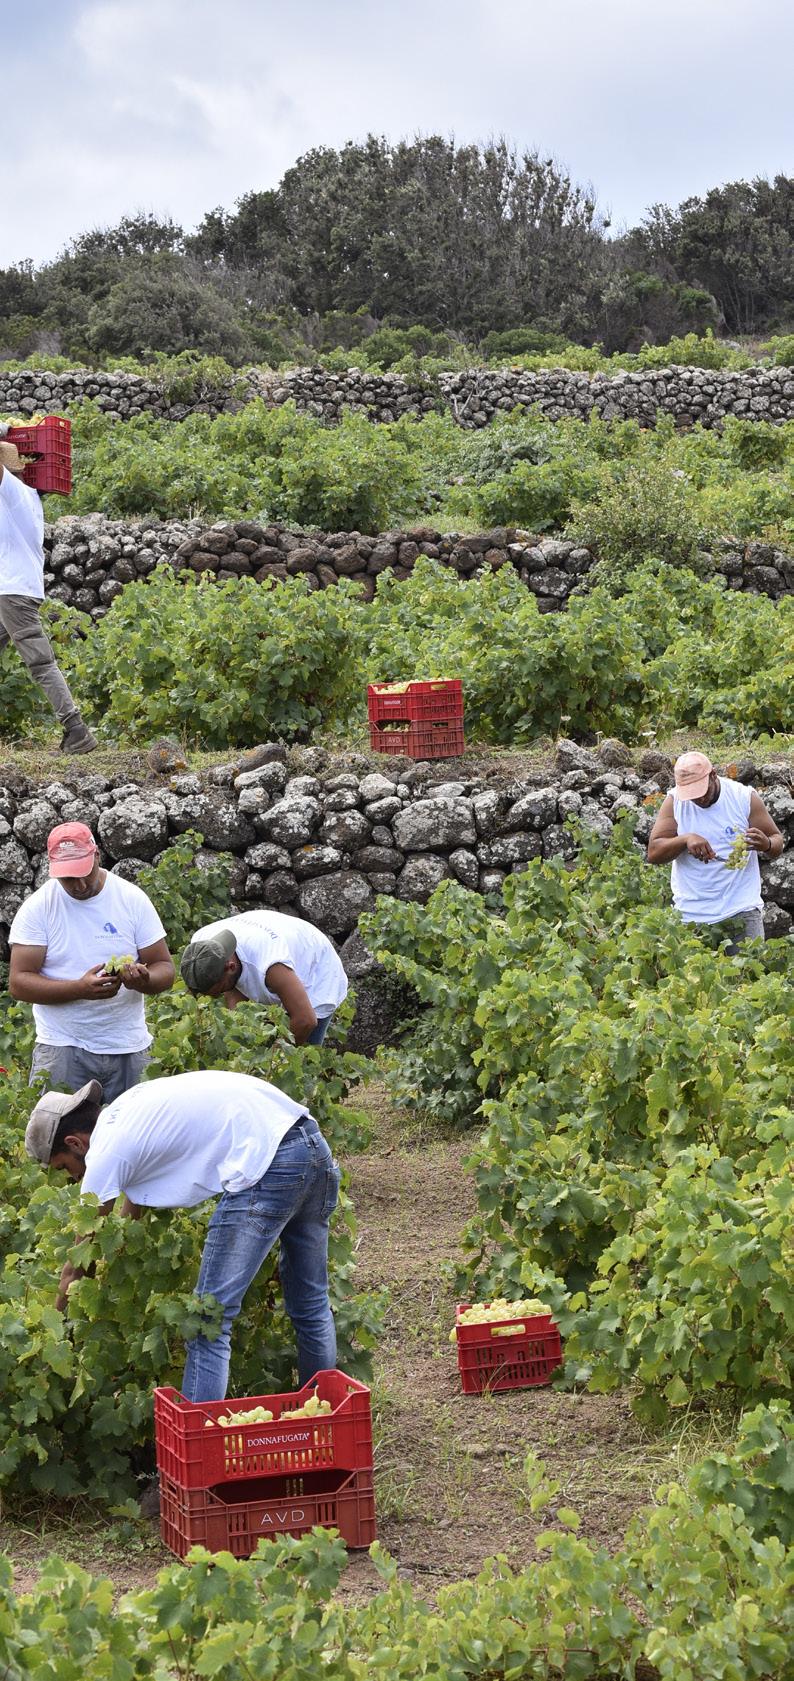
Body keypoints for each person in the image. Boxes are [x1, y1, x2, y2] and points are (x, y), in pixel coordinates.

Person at [24, 1070, 340, 1401]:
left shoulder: (105, 1151)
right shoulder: (128, 1112)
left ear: (75, 1143)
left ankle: (201, 1434)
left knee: (208, 1320)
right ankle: (324, 1415)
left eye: (64, 1167)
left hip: (269, 1164)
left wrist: (56, 1336)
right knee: (311, 1303)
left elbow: (77, 1264)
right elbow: (132, 1208)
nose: (72, 1178)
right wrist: (115, 1261)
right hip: (310, 1144)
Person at [9, 821, 175, 1101]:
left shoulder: (131, 899)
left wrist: (143, 980)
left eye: (84, 873)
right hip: (62, 1046)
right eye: (68, 878)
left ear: (97, 856)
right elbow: (18, 982)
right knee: (59, 1128)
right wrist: (79, 989)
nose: (80, 885)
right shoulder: (39, 908)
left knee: (136, 1128)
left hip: (128, 1044)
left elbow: (165, 969)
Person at [0, 437, 96, 754]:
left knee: (40, 663)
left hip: (13, 592)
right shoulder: (29, 498)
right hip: (15, 589)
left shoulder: (12, 492)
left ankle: (76, 730)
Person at [647, 751, 784, 946]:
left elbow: (777, 841)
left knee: (749, 965)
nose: (699, 799)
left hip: (741, 911)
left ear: (713, 775)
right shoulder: (674, 802)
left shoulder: (743, 797)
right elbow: (654, 853)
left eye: (702, 791)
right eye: (691, 795)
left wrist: (766, 844)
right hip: (691, 914)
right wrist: (685, 840)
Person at [180, 909, 349, 1045]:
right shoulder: (200, 948)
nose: (212, 996)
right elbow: (233, 993)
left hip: (318, 967)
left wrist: (273, 1060)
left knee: (304, 1052)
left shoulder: (270, 966)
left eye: (216, 991)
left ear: (230, 967)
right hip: (276, 932)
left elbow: (305, 1020)